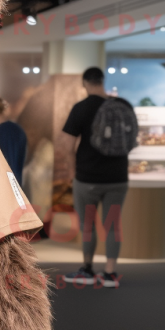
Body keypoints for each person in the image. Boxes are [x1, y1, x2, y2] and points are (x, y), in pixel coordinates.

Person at [61, 67, 134, 288]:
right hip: (118, 178)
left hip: (87, 178)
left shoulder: (81, 108)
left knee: (88, 225)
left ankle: (88, 269)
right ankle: (110, 273)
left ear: (85, 83)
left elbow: (66, 145)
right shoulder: (122, 105)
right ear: (103, 81)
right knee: (113, 224)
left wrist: (73, 172)